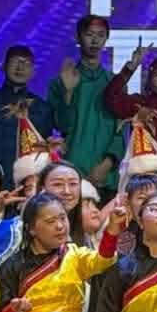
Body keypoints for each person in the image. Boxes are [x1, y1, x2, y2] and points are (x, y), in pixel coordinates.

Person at [47, 16, 125, 185]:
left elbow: (120, 132)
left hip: (106, 175)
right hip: (72, 171)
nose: (95, 40)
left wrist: (106, 165)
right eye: (89, 34)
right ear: (78, 38)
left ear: (106, 39)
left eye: (101, 35)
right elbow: (61, 126)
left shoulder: (115, 84)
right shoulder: (60, 82)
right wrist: (68, 93)